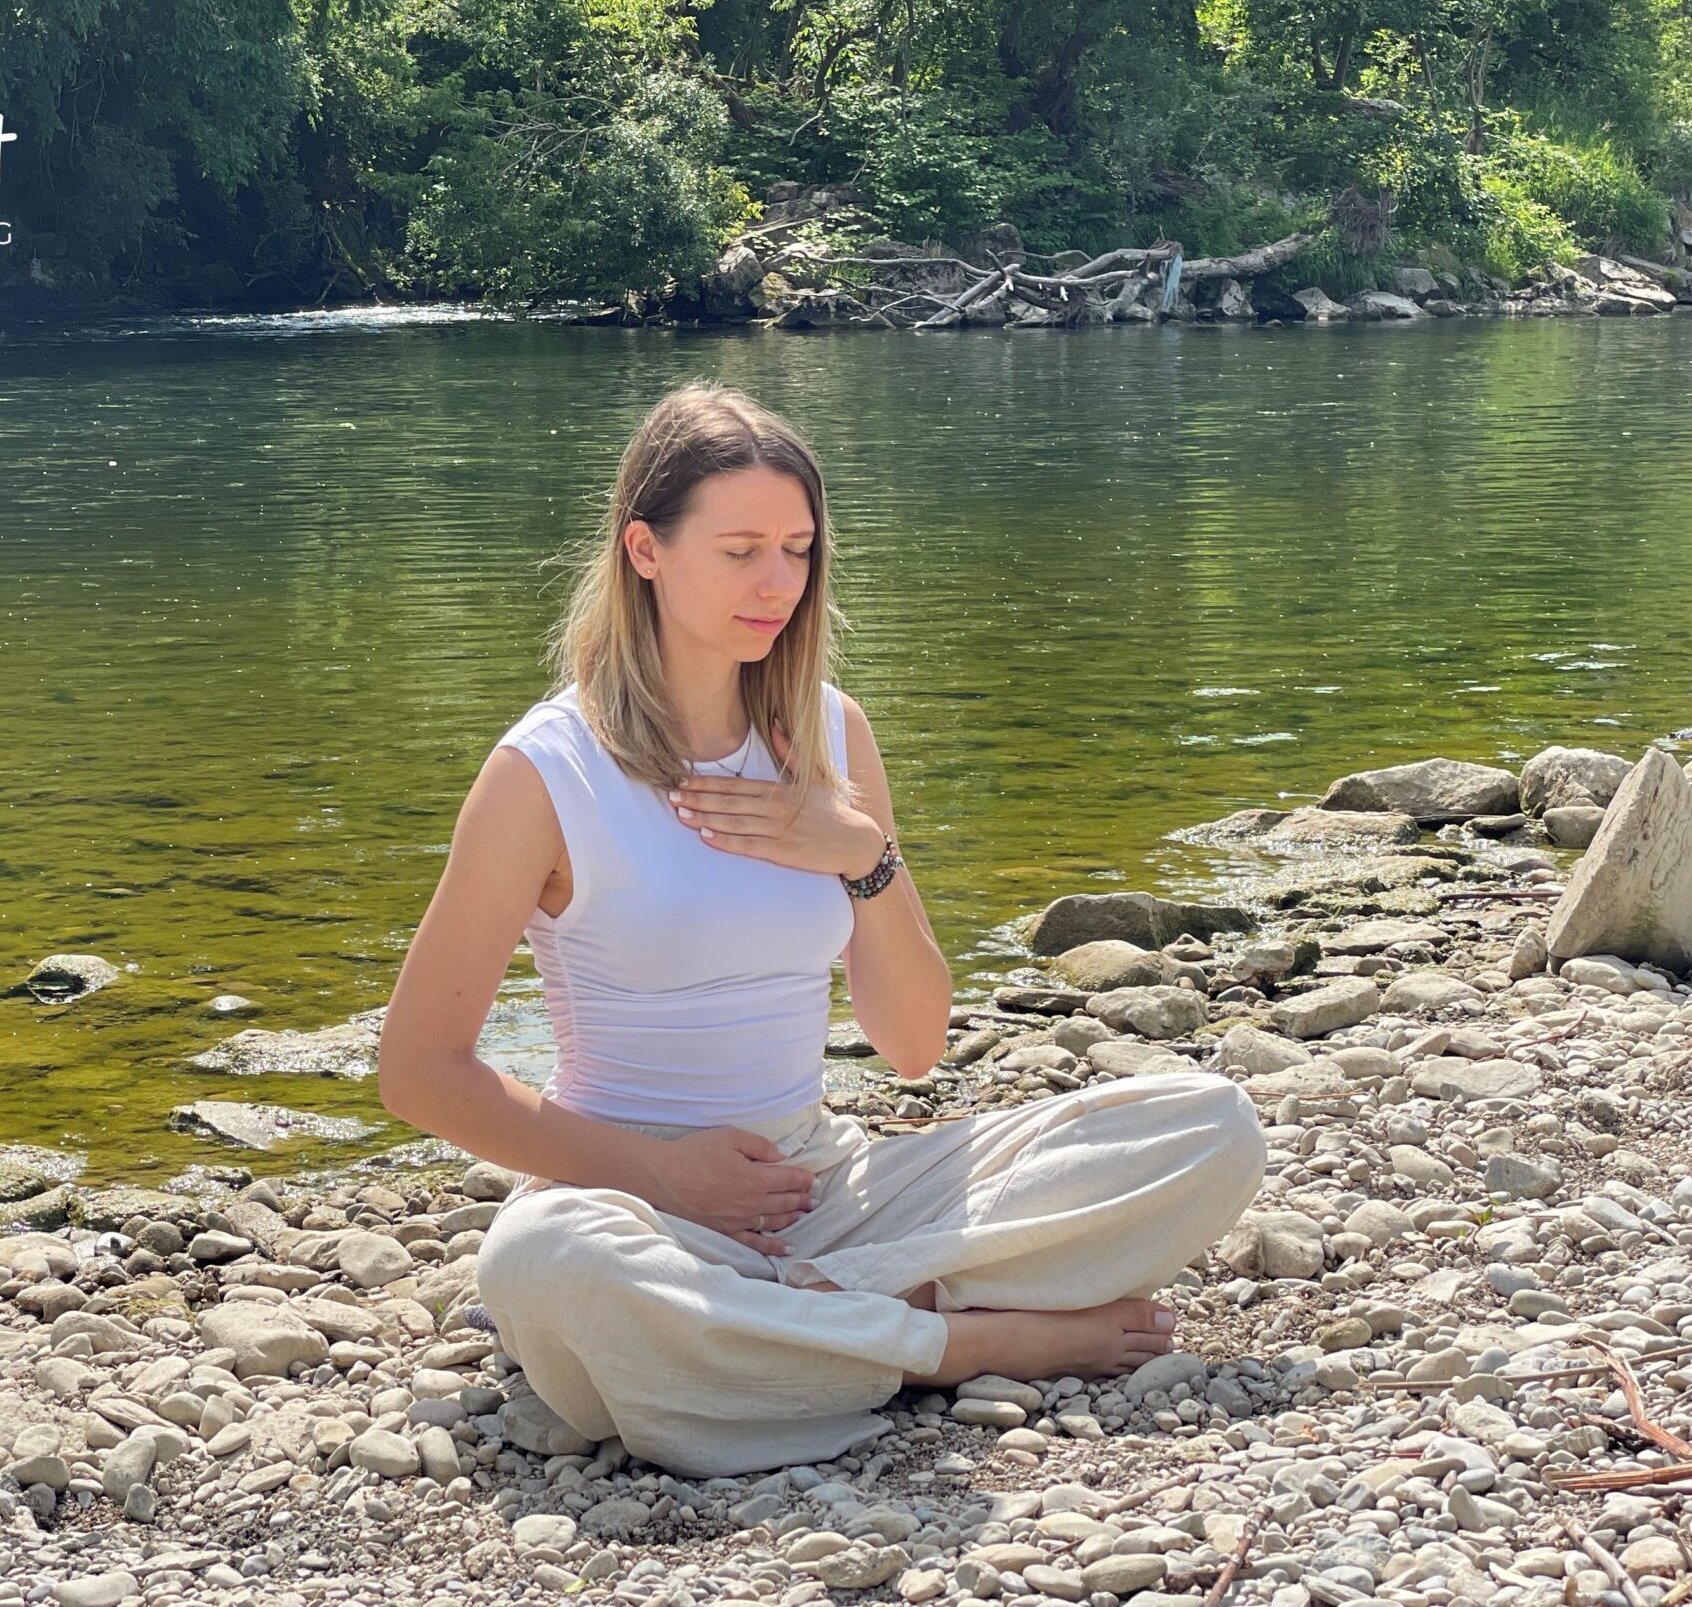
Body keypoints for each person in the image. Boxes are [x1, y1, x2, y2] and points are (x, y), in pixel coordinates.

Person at [376, 379, 1268, 1479]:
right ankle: (957, 1341)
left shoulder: (830, 734)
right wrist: (666, 1175)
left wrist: (861, 855)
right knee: (548, 1262)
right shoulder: (545, 772)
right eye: (740, 550)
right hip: (626, 1197)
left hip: (824, 1188)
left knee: (1210, 1122)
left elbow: (914, 1045)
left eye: (797, 551)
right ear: (645, 550)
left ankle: (803, 1322)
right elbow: (420, 1070)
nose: (777, 585)